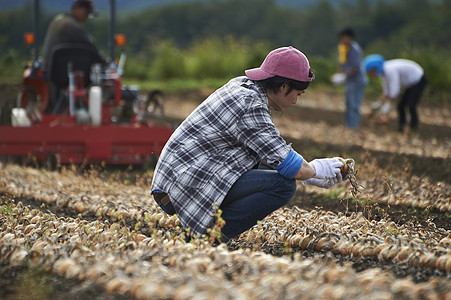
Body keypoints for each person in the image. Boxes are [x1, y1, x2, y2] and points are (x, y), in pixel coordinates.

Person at [151, 46, 346, 242]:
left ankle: (206, 229)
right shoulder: (250, 105)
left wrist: (309, 173)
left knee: (269, 167)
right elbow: (293, 166)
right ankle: (203, 239)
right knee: (283, 185)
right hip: (183, 183)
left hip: (176, 177)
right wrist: (316, 170)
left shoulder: (243, 86)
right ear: (284, 87)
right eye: (298, 93)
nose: (296, 101)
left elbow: (272, 155)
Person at [41, 0, 106, 112]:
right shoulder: (71, 26)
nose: (86, 17)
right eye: (86, 12)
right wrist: (106, 63)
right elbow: (92, 49)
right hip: (60, 74)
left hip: (51, 72)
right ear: (76, 8)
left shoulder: (59, 20)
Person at [363, 54, 427, 132]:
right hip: (409, 84)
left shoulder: (390, 70)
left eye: (370, 72)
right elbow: (386, 92)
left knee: (411, 105)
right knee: (400, 105)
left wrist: (385, 112)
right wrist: (375, 108)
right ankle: (402, 127)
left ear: (375, 69)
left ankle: (414, 127)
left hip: (418, 80)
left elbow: (394, 92)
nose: (370, 75)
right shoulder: (384, 73)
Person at [337, 27, 366, 129]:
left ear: (351, 38)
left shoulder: (355, 50)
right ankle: (348, 126)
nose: (344, 40)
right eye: (342, 38)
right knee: (348, 104)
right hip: (349, 81)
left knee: (354, 106)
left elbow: (356, 68)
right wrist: (338, 75)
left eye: (346, 38)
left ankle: (354, 127)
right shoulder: (342, 49)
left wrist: (344, 76)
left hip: (357, 81)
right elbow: (342, 64)